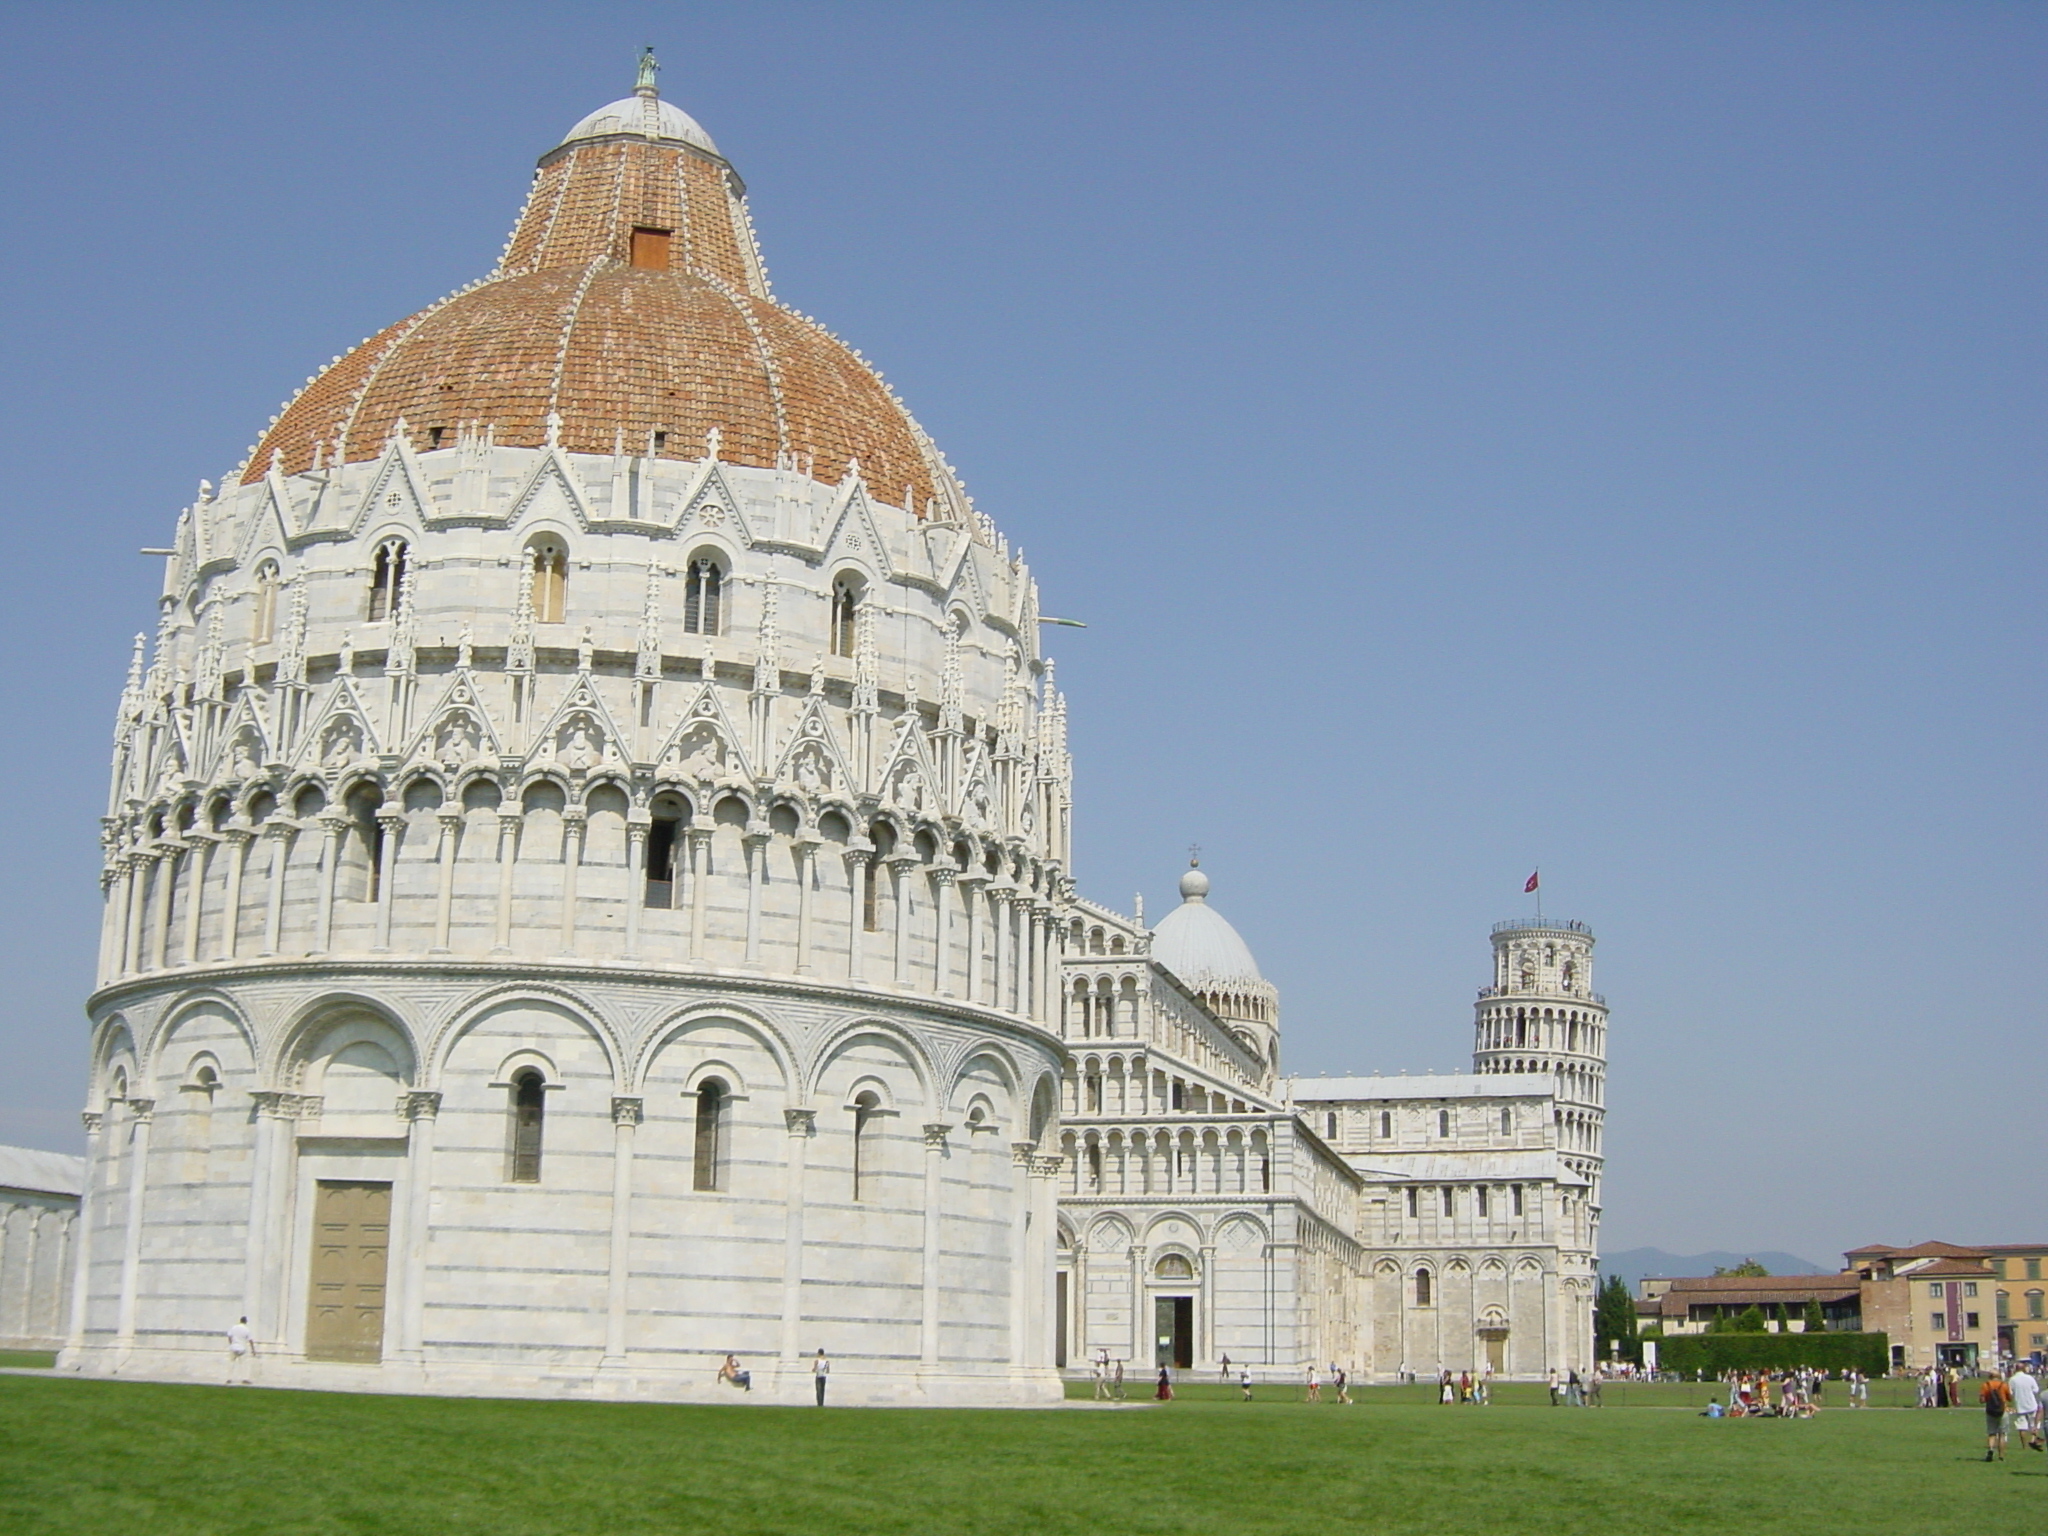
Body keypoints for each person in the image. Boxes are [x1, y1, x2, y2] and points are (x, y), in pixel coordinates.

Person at [2006, 1361, 2042, 1452]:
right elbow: (2036, 1390)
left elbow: (2010, 1393)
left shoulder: (2012, 1379)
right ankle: (2033, 1441)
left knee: (2022, 1427)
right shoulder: (2029, 1378)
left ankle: (2024, 1446)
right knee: (2034, 1424)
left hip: (2019, 1405)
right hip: (2031, 1404)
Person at [1981, 1370, 2011, 1461]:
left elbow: (1982, 1400)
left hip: (1990, 1410)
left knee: (1992, 1433)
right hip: (2002, 1410)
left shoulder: (1985, 1385)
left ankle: (1990, 1449)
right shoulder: (2004, 1385)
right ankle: (2001, 1455)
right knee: (2002, 1434)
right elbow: (2009, 1398)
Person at [226, 1317, 256, 1384]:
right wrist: (253, 1350)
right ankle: (244, 1378)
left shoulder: (234, 1327)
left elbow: (229, 1336)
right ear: (246, 1322)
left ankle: (229, 1378)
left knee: (231, 1363)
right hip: (242, 1348)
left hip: (233, 1347)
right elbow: (250, 1340)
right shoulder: (246, 1329)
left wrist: (231, 1344)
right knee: (244, 1364)